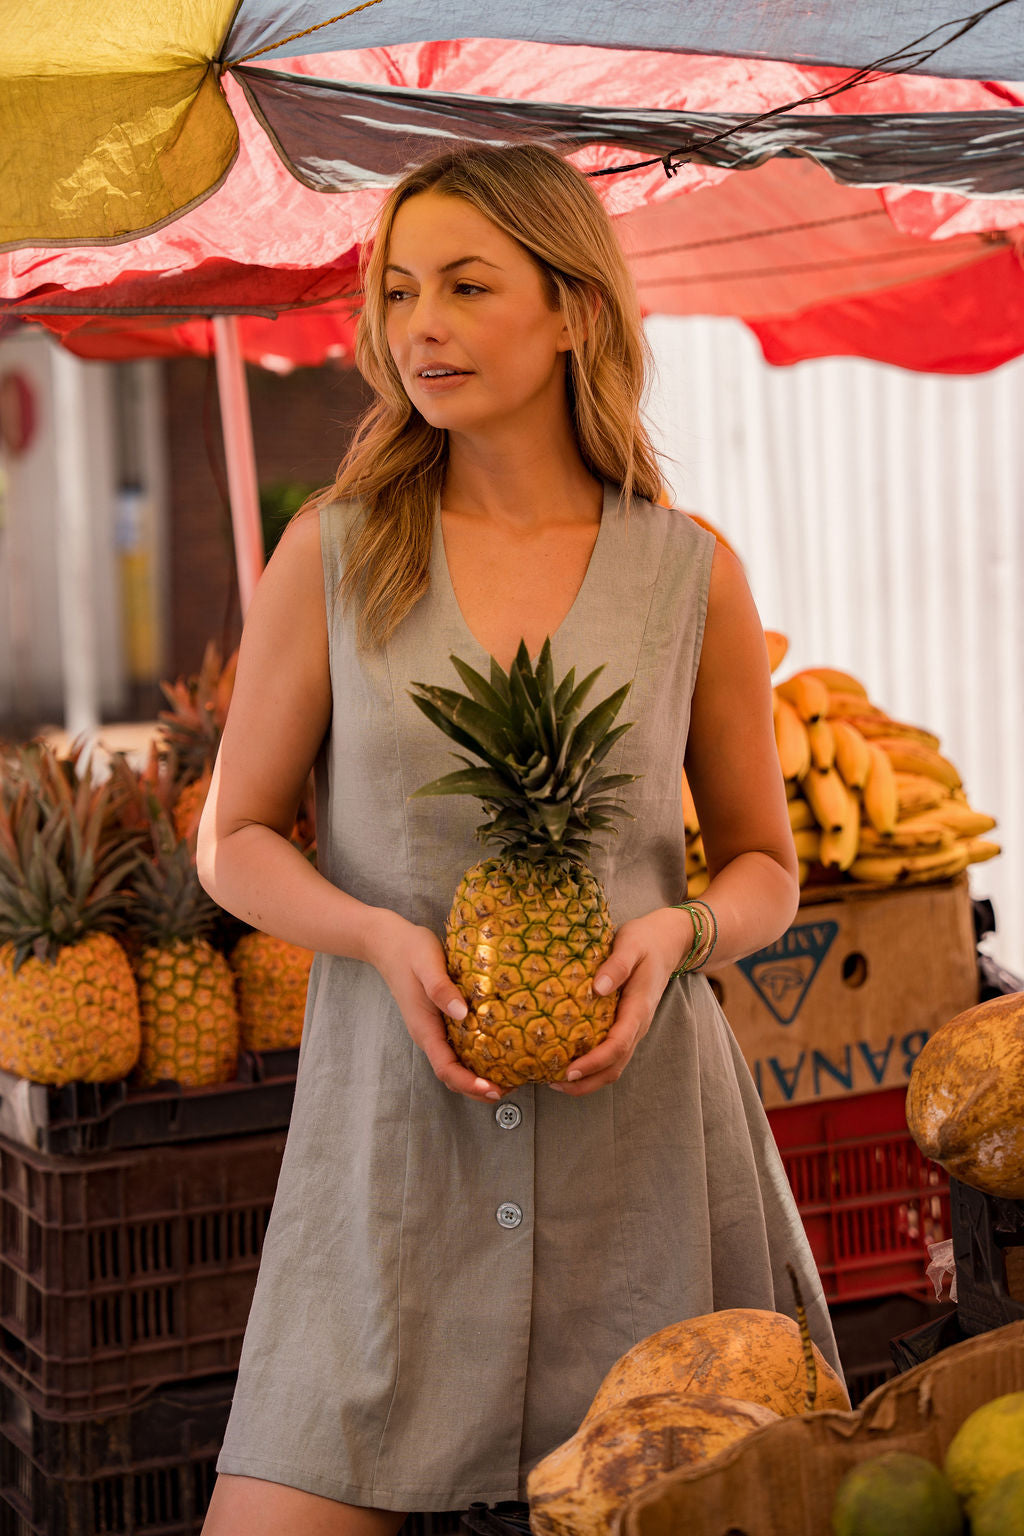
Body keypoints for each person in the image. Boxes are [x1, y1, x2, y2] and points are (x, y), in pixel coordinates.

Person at [197, 141, 841, 1536]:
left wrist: (682, 931)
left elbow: (764, 865)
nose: (418, 325)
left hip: (650, 1171)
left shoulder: (689, 571)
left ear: (575, 313)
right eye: (400, 289)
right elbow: (232, 838)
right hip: (394, 1161)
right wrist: (372, 932)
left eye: (468, 286)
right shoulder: (337, 551)